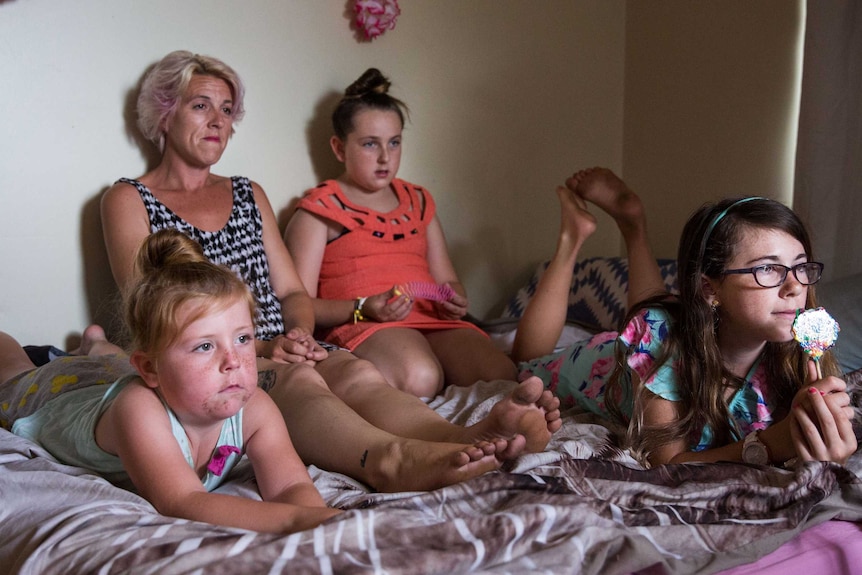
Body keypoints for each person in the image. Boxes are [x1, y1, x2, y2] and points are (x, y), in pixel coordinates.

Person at [100, 51, 561, 492]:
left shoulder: (247, 193)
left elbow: (293, 293)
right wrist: (266, 346)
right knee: (300, 381)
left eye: (226, 109)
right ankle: (390, 461)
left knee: (358, 376)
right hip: (216, 355)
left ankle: (467, 437)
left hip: (283, 344)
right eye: (201, 106)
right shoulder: (128, 199)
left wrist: (298, 335)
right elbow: (152, 315)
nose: (219, 121)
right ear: (163, 113)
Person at [0, 230, 342, 534]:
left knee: (111, 363)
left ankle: (96, 342)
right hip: (61, 394)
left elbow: (289, 488)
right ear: (150, 369)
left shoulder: (255, 409)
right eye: (205, 346)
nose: (234, 361)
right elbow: (183, 501)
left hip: (115, 375)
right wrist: (293, 522)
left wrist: (322, 521)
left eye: (242, 339)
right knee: (13, 370)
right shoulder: (138, 410)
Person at [512, 167, 857, 467]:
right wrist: (769, 446)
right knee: (521, 365)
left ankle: (633, 226)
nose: (795, 286)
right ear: (711, 289)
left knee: (662, 308)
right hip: (595, 363)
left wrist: (826, 442)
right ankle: (572, 237)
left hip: (681, 327)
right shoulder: (660, 336)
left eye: (801, 266)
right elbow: (667, 464)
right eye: (767, 268)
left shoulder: (798, 356)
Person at [284, 68, 518, 398]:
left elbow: (448, 281)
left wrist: (454, 300)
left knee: (501, 374)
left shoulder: (418, 201)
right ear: (339, 148)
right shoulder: (320, 209)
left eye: (394, 143)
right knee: (420, 376)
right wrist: (364, 307)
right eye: (369, 144)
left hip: (432, 321)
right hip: (366, 324)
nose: (385, 157)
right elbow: (298, 304)